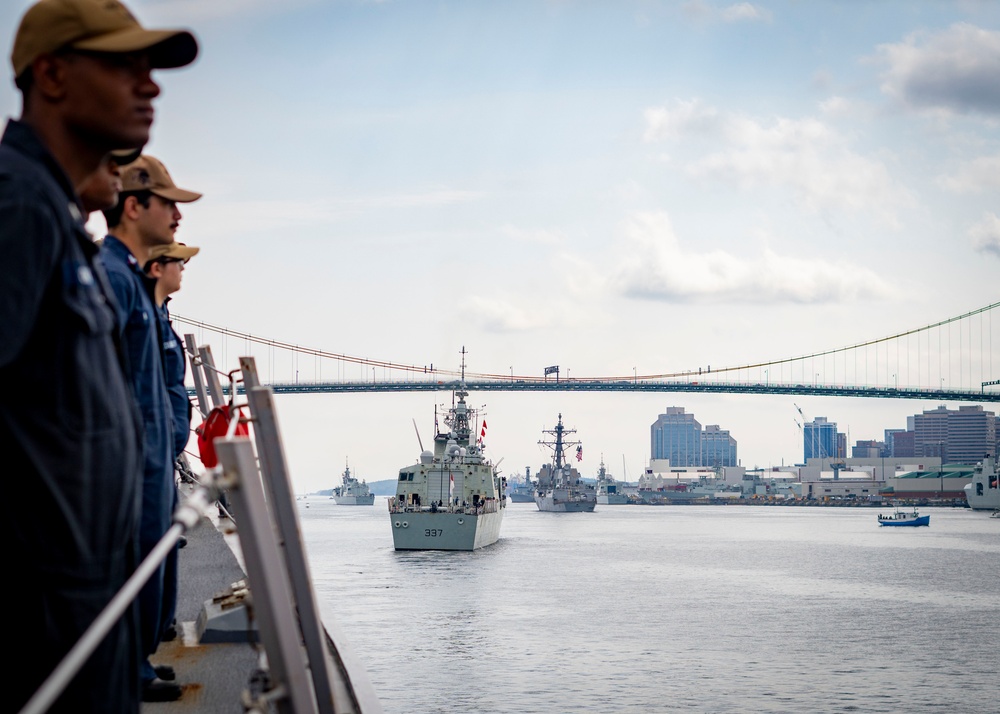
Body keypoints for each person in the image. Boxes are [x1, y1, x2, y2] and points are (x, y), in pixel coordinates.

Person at [0, 1, 197, 711]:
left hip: (90, 597)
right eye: (123, 66)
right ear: (51, 74)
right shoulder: (17, 209)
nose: (149, 85)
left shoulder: (50, 217)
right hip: (46, 614)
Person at [101, 154, 201, 702]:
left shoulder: (134, 291)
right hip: (133, 462)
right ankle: (128, 672)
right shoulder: (116, 280)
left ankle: (134, 666)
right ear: (135, 205)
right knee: (133, 566)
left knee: (152, 560)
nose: (178, 218)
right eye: (170, 205)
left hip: (155, 456)